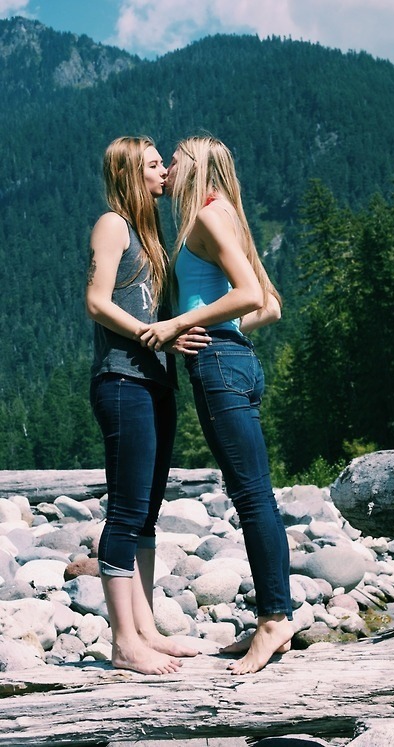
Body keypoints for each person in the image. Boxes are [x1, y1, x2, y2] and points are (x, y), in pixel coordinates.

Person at [140, 135, 294, 674]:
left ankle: (274, 620)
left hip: (220, 367)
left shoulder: (206, 216)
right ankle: (275, 620)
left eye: (176, 159)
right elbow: (270, 306)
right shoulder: (225, 214)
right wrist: (212, 325)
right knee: (255, 494)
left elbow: (252, 295)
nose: (170, 167)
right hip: (234, 360)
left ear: (197, 166)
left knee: (252, 497)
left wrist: (181, 323)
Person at [85, 135, 208, 675]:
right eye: (155, 166)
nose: (165, 173)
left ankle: (147, 628)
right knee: (127, 509)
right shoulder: (114, 224)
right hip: (121, 380)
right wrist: (156, 335)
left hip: (156, 382)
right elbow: (96, 301)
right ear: (132, 173)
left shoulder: (152, 232)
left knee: (148, 514)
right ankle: (122, 642)